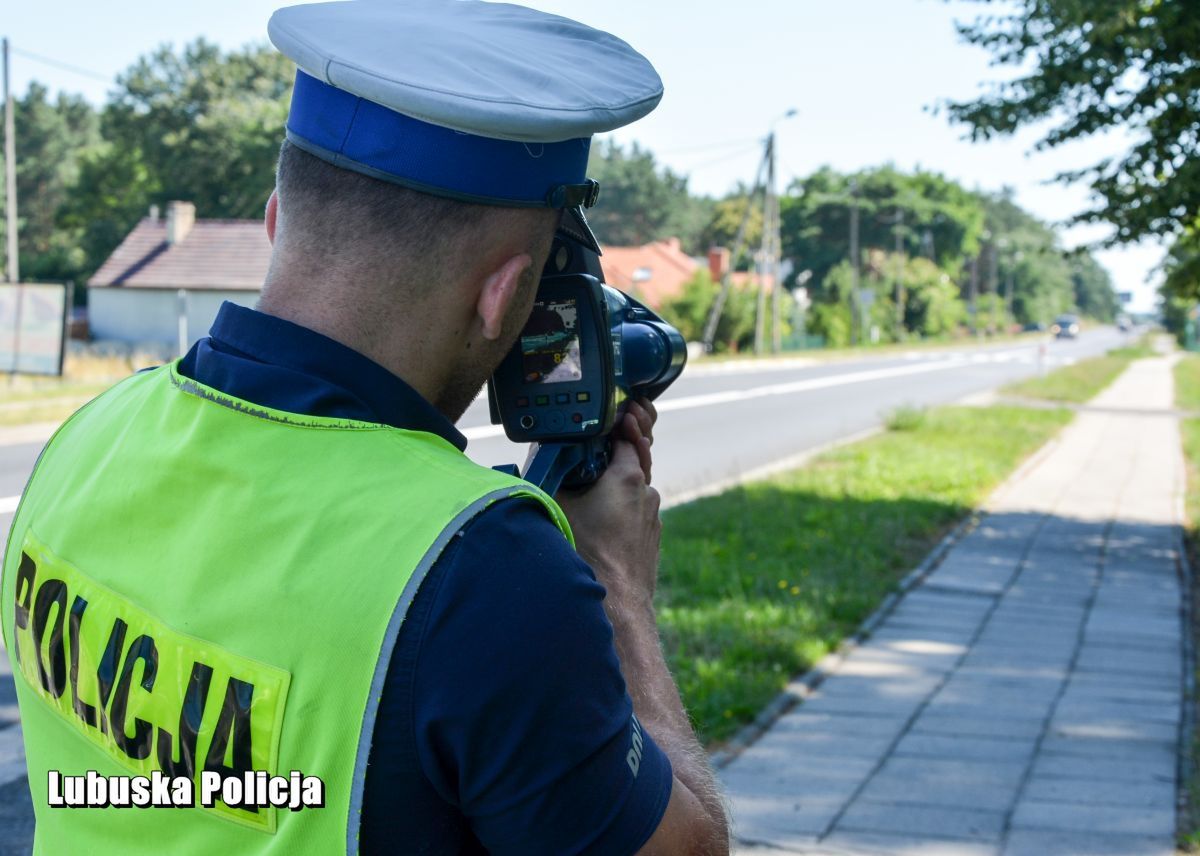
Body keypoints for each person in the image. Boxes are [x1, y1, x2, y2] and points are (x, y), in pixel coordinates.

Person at [2, 1, 729, 854]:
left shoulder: (91, 434)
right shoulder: (484, 571)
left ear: (278, 219)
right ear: (504, 292)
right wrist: (619, 586)